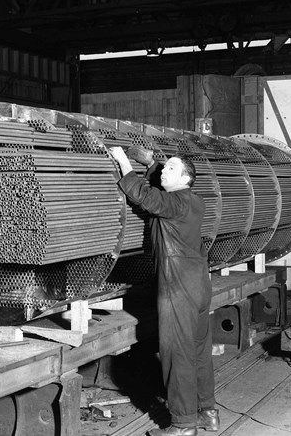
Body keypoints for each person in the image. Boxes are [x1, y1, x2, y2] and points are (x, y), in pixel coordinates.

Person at [109, 145, 219, 436]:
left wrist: (122, 161)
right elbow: (161, 191)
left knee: (177, 354)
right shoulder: (194, 201)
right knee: (198, 351)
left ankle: (183, 425)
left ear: (185, 179)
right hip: (199, 284)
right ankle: (208, 412)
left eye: (170, 168)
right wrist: (152, 163)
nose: (163, 171)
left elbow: (146, 197)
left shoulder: (174, 202)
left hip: (178, 287)